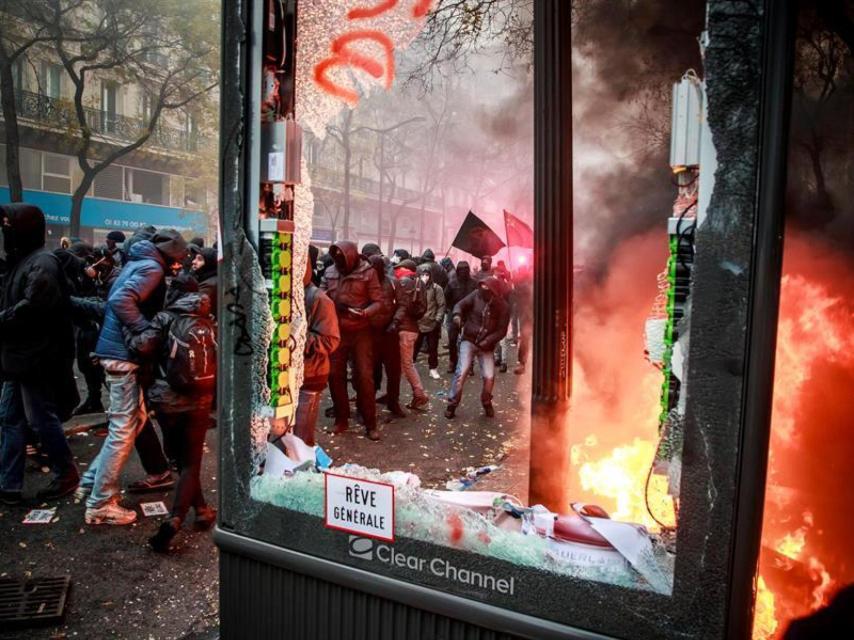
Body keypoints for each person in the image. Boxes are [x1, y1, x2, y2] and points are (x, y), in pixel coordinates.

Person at [78, 229, 188, 525]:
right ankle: (100, 502)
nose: (178, 267)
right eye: (178, 261)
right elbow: (121, 300)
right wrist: (144, 331)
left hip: (116, 353)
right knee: (124, 428)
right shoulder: (152, 268)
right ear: (170, 257)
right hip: (124, 356)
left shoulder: (139, 261)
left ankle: (91, 481)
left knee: (134, 421)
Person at [124, 274, 217, 552]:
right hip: (200, 399)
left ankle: (174, 519)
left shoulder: (165, 318)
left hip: (167, 400)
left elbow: (142, 346)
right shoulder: (207, 319)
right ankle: (200, 509)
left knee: (182, 461)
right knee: (190, 460)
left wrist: (129, 330)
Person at [0, 204, 80, 505]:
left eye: (8, 223)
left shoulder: (42, 262)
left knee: (40, 419)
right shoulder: (22, 261)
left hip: (36, 358)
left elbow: (33, 308)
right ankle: (8, 484)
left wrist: (3, 319)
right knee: (10, 419)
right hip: (18, 358)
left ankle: (65, 472)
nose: (5, 229)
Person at [321, 240, 384, 441]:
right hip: (337, 330)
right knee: (334, 375)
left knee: (364, 377)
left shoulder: (368, 272)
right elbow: (321, 294)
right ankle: (342, 419)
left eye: (342, 258)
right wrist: (331, 304)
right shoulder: (330, 271)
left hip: (360, 331)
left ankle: (370, 423)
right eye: (336, 258)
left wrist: (364, 313)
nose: (339, 263)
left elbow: (379, 302)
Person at [293, 246, 340, 445]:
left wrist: (297, 338)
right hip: (286, 376)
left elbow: (331, 340)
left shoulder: (319, 299)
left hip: (311, 375)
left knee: (301, 438)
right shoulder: (287, 296)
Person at [445, 277, 510, 419]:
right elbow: (460, 305)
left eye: (487, 288)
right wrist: (457, 315)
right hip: (469, 340)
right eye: (482, 287)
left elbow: (502, 330)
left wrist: (488, 341)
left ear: (494, 292)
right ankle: (452, 404)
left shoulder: (503, 307)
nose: (483, 291)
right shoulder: (476, 295)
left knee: (489, 376)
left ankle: (486, 401)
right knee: (461, 372)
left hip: (486, 346)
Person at [368, 254, 405, 418]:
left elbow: (403, 304)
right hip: (371, 334)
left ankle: (393, 402)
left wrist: (395, 322)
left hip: (390, 333)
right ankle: (368, 403)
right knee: (370, 372)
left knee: (394, 371)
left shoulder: (393, 282)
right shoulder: (365, 283)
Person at [390, 259, 429, 411]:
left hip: (404, 329)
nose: (397, 270)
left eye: (400, 268)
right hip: (412, 328)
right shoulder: (419, 283)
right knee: (401, 364)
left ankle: (419, 393)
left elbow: (400, 306)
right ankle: (392, 394)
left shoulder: (403, 281)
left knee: (407, 364)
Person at [443, 260, 477, 374]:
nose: (463, 272)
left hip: (470, 316)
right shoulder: (452, 283)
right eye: (461, 269)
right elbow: (445, 297)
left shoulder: (474, 283)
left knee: (469, 341)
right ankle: (453, 362)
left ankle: (470, 365)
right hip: (454, 315)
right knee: (452, 341)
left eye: (465, 269)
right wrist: (449, 310)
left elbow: (477, 298)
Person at [413, 263, 445, 380]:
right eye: (423, 275)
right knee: (415, 346)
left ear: (430, 276)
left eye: (427, 275)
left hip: (432, 323)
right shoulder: (415, 287)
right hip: (419, 323)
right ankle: (411, 367)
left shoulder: (437, 289)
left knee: (433, 348)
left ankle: (433, 369)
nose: (425, 277)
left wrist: (437, 319)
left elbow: (441, 305)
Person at [190, 245, 218, 316]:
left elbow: (193, 307)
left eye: (199, 259)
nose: (193, 261)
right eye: (195, 258)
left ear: (209, 264)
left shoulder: (209, 285)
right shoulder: (204, 279)